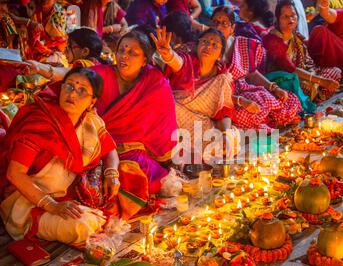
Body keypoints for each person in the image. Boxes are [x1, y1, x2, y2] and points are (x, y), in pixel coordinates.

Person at [24, 30, 179, 220]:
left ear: (145, 60)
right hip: (94, 150)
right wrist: (41, 68)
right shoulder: (102, 74)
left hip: (133, 152)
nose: (124, 56)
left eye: (133, 53)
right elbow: (72, 76)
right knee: (94, 192)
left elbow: (164, 119)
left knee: (145, 180)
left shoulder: (153, 80)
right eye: (122, 49)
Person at [0, 67, 119, 247]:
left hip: (70, 194)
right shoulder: (40, 122)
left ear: (92, 101)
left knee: (129, 179)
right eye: (69, 86)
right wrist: (52, 206)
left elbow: (110, 150)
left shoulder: (91, 122)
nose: (72, 94)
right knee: (82, 226)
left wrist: (112, 174)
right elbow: (15, 173)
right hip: (28, 202)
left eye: (82, 91)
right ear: (60, 88)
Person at [152, 27, 239, 161]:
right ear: (197, 45)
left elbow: (224, 112)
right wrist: (168, 54)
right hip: (174, 118)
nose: (208, 46)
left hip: (201, 124)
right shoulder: (188, 62)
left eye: (214, 44)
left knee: (228, 142)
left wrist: (225, 135)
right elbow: (178, 63)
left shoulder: (222, 78)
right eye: (204, 41)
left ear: (220, 54)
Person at [211, 6, 302, 129]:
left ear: (232, 28)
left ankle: (268, 120)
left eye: (224, 23)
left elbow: (252, 74)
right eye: (215, 22)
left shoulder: (242, 43)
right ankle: (265, 121)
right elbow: (211, 89)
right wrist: (241, 101)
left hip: (247, 90)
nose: (218, 27)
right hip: (225, 99)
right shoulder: (207, 48)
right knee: (244, 113)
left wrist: (273, 88)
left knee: (286, 100)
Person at [263, 0, 341, 104]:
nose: (290, 19)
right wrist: (319, 80)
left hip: (303, 76)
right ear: (277, 20)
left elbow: (308, 61)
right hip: (282, 82)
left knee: (335, 72)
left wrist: (313, 74)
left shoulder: (296, 36)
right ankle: (309, 100)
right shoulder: (272, 40)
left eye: (293, 15)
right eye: (285, 17)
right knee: (304, 87)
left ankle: (315, 98)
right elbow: (290, 69)